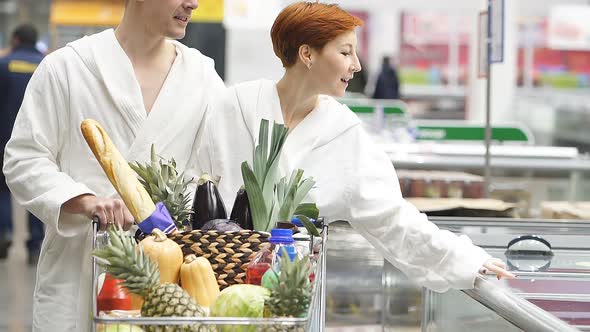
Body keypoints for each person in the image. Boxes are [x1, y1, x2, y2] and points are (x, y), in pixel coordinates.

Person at [200, 1, 514, 294]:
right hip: (211, 281)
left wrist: (464, 260)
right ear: (307, 54)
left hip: (290, 293)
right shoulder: (234, 106)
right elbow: (193, 187)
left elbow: (391, 217)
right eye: (346, 52)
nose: (357, 66)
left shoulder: (343, 132)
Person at [3, 0, 224, 330]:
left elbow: (219, 172)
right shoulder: (68, 68)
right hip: (79, 270)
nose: (192, 3)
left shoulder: (202, 77)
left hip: (170, 281)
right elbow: (24, 159)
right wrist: (86, 201)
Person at [0, 24, 45, 264]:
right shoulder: (47, 65)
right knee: (36, 188)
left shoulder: (4, 65)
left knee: (3, 191)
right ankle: (35, 244)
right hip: (39, 140)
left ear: (15, 39)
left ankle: (4, 233)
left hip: (4, 136)